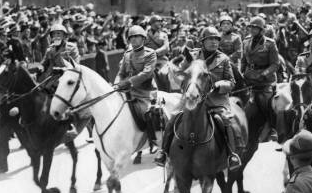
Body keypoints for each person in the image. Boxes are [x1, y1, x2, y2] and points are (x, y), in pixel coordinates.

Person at [155, 27, 242, 170]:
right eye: (210, 39)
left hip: (216, 99)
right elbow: (181, 74)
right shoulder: (192, 56)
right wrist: (189, 87)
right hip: (192, 98)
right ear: (203, 41)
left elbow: (231, 82)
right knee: (173, 117)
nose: (214, 42)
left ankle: (231, 155)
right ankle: (163, 152)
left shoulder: (224, 59)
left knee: (224, 121)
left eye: (216, 39)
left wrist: (218, 85)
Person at [114, 25, 160, 152]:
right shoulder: (127, 54)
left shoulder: (150, 54)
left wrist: (128, 82)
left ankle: (153, 141)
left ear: (143, 39)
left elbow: (147, 73)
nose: (133, 39)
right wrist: (116, 83)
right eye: (131, 37)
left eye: (137, 37)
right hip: (129, 91)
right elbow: (121, 72)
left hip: (146, 91)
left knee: (148, 113)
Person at [241, 15, 280, 144]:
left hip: (265, 80)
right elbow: (243, 61)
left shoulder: (270, 43)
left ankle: (273, 129)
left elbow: (275, 64)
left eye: (255, 28)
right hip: (248, 78)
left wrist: (264, 74)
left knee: (266, 103)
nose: (252, 30)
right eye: (250, 27)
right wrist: (241, 73)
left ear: (261, 30)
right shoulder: (245, 41)